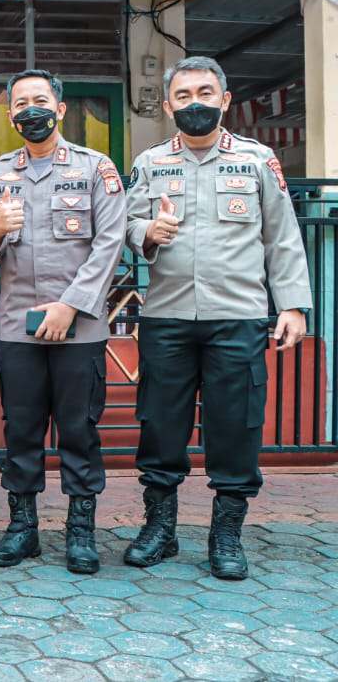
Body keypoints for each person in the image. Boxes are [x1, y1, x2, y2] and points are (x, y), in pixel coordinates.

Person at [123, 55, 311, 580]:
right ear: (167, 106)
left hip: (239, 317)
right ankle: (159, 529)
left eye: (205, 93)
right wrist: (145, 235)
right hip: (167, 317)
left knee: (235, 426)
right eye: (183, 96)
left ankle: (226, 534)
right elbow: (126, 223)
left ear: (225, 100)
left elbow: (282, 234)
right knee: (160, 426)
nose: (195, 104)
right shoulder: (152, 162)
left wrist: (292, 304)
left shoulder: (256, 160)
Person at [0, 69, 127, 574]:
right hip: (18, 328)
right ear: (11, 114)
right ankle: (23, 529)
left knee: (79, 429)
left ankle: (81, 531)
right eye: (20, 103)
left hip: (79, 327)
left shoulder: (94, 167)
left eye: (40, 100)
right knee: (22, 429)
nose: (30, 110)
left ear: (60, 109)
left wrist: (70, 305)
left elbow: (111, 242)